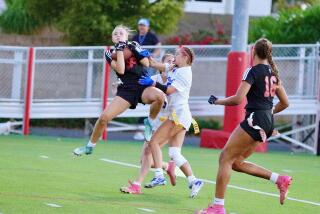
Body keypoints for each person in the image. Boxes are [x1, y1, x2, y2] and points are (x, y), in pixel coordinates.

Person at [196, 38, 292, 214]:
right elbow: (285, 103)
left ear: (253, 50)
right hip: (267, 122)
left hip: (255, 120)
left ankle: (218, 207)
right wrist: (268, 114)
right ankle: (279, 179)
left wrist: (217, 101)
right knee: (236, 162)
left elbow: (238, 99)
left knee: (225, 158)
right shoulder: (273, 74)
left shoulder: (253, 71)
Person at [73, 25, 166, 156]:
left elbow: (146, 63)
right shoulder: (109, 53)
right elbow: (121, 70)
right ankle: (90, 146)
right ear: (112, 38)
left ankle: (149, 123)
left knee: (160, 97)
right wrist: (120, 50)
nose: (118, 35)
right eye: (115, 33)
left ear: (126, 36)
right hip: (126, 89)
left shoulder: (133, 44)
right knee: (104, 118)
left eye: (121, 33)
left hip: (143, 84)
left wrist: (133, 50)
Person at [138, 47, 204, 198]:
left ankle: (159, 176)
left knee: (153, 142)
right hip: (181, 116)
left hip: (178, 115)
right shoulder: (176, 68)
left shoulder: (185, 72)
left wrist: (153, 84)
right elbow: (159, 65)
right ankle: (194, 181)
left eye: (177, 55)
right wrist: (147, 57)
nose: (174, 58)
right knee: (174, 153)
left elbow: (169, 90)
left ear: (185, 56)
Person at [120, 54, 178, 195]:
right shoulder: (153, 79)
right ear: (161, 65)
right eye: (168, 61)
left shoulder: (176, 80)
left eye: (173, 61)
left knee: (148, 152)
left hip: (169, 122)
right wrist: (121, 85)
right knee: (145, 159)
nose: (171, 64)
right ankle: (167, 166)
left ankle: (137, 185)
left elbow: (169, 94)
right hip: (154, 122)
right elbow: (137, 85)